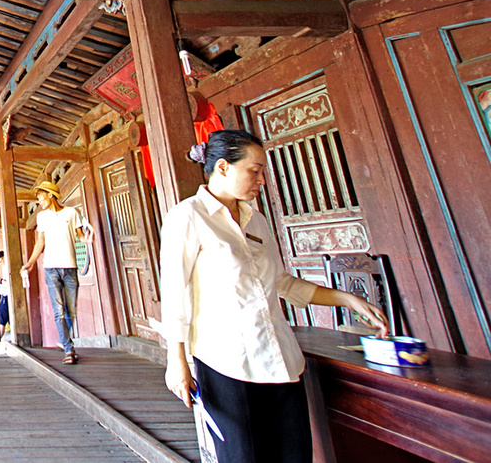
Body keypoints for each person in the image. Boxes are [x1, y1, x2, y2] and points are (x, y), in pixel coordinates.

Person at [160, 129, 389, 463]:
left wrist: (348, 299)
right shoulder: (188, 216)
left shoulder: (257, 221)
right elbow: (174, 293)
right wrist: (176, 360)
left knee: (294, 456)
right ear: (223, 167)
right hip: (227, 363)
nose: (262, 180)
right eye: (255, 170)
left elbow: (281, 283)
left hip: (280, 360)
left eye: (263, 171)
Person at [21, 180, 93, 364]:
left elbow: (80, 237)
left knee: (71, 310)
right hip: (51, 268)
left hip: (70, 267)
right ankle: (69, 350)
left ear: (50, 195)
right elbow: (40, 242)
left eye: (40, 197)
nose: (38, 201)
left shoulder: (71, 212)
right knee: (59, 311)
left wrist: (87, 240)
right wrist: (30, 262)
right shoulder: (42, 217)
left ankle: (64, 340)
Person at [0, 251, 10, 338]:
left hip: (6, 295)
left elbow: (8, 281)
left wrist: (0, 281)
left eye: (2, 259)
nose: (2, 262)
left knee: (2, 320)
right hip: (5, 294)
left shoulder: (8, 267)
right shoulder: (5, 267)